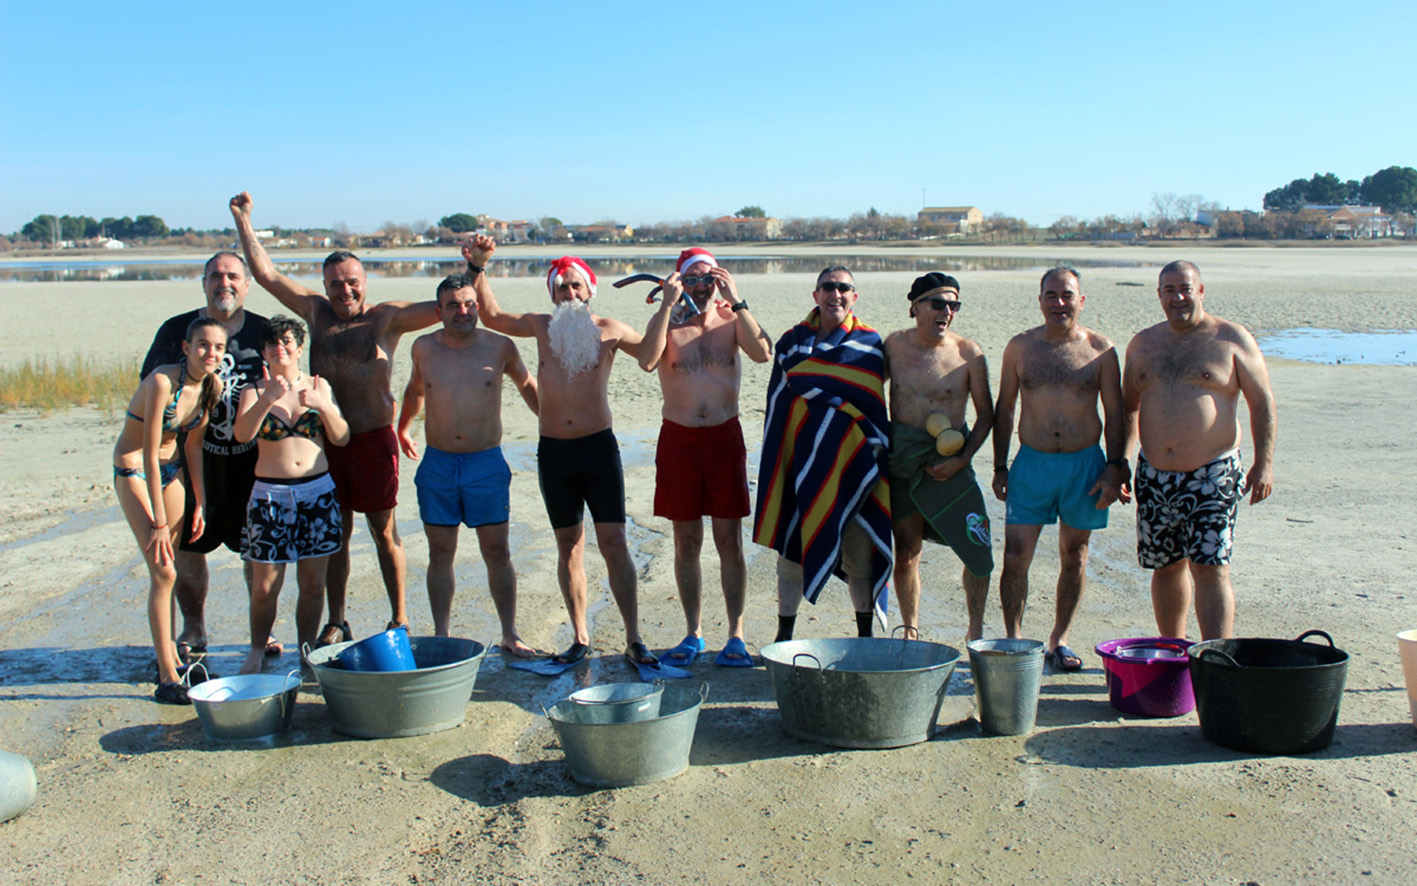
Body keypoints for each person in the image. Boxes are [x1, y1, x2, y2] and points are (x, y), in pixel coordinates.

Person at [231, 192, 437, 643]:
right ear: (324, 286)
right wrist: (245, 220)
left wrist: (476, 270)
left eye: (352, 282)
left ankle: (399, 617)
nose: (345, 291)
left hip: (372, 439)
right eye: (336, 284)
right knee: (335, 536)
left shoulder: (386, 320)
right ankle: (337, 620)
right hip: (324, 443)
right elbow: (265, 274)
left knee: (384, 532)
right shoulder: (314, 312)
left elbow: (449, 306)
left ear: (365, 280)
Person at [465, 238, 660, 668]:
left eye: (576, 287)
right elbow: (493, 315)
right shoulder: (540, 325)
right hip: (554, 452)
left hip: (598, 450)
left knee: (615, 543)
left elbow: (649, 357)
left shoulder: (610, 328)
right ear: (552, 295)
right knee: (568, 546)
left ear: (590, 290)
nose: (569, 294)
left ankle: (634, 637)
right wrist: (479, 266)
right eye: (561, 288)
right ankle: (580, 636)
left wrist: (666, 307)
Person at [1123, 260, 1276, 640]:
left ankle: (1214, 655)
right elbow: (1127, 406)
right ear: (1159, 296)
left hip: (1212, 474)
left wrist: (1264, 464)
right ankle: (1173, 646)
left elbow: (1263, 403)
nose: (1177, 297)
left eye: (1185, 288)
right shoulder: (1143, 344)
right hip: (1154, 475)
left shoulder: (1231, 339)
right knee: (1166, 566)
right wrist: (1119, 463)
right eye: (1169, 290)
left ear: (1201, 290)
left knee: (1210, 568)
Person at [638, 248, 772, 666]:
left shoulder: (733, 320)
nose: (700, 286)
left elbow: (763, 352)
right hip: (678, 439)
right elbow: (645, 361)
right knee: (686, 542)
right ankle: (693, 632)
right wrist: (667, 305)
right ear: (678, 280)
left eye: (707, 278)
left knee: (729, 541)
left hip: (724, 437)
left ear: (718, 280)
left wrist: (738, 298)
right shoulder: (668, 323)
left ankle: (736, 635)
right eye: (691, 279)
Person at [396, 272, 539, 655]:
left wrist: (555, 424)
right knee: (440, 553)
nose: (463, 311)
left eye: (469, 304)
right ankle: (442, 635)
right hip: (438, 464)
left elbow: (527, 386)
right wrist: (403, 428)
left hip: (485, 464)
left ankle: (510, 633)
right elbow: (415, 389)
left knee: (497, 552)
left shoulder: (500, 346)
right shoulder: (423, 347)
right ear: (439, 310)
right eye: (454, 305)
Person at [992, 267, 1129, 669]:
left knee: (1076, 554)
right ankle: (1015, 640)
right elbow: (1005, 410)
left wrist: (1115, 467)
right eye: (1050, 295)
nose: (1059, 303)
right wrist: (1000, 466)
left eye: (1067, 295)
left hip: (1084, 464)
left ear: (1081, 301)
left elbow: (1116, 414)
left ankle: (1059, 639)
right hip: (1031, 463)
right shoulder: (1020, 348)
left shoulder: (1100, 350)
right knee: (1016, 555)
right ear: (1040, 300)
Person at [140, 252, 271, 663]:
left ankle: (259, 632)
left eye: (233, 275)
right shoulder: (176, 330)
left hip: (251, 462)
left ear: (247, 284)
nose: (224, 283)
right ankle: (194, 627)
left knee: (254, 550)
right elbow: (149, 389)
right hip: (191, 458)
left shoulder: (263, 332)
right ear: (203, 283)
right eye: (216, 276)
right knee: (190, 549)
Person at [754, 266, 893, 642]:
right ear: (815, 295)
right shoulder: (791, 343)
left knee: (860, 557)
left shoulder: (869, 345)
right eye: (828, 287)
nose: (836, 294)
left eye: (844, 288)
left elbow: (873, 408)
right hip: (800, 468)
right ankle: (784, 637)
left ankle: (865, 638)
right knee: (791, 555)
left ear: (854, 296)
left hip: (855, 470)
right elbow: (779, 408)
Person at [115, 318, 227, 703]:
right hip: (135, 471)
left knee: (174, 566)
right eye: (202, 345)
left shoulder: (213, 385)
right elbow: (147, 452)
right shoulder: (163, 382)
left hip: (173, 471)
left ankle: (175, 662)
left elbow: (192, 446)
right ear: (185, 347)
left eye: (217, 348)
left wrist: (200, 503)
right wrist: (159, 522)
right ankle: (166, 675)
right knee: (162, 572)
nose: (210, 353)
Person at [232, 316, 350, 674]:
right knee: (265, 586)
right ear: (264, 352)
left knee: (313, 584)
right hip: (270, 496)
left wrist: (323, 406)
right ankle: (256, 649)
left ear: (300, 348)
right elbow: (242, 435)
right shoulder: (255, 389)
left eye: (286, 342)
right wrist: (267, 399)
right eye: (272, 344)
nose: (279, 348)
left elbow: (342, 437)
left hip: (317, 493)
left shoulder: (319, 385)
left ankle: (305, 651)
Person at [885, 273, 995, 642]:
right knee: (907, 552)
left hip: (952, 461)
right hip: (903, 460)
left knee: (977, 548)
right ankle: (910, 629)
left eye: (953, 305)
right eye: (938, 303)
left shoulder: (968, 353)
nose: (946, 311)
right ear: (915, 307)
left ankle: (975, 628)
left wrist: (963, 460)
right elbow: (863, 391)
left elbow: (986, 415)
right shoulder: (894, 347)